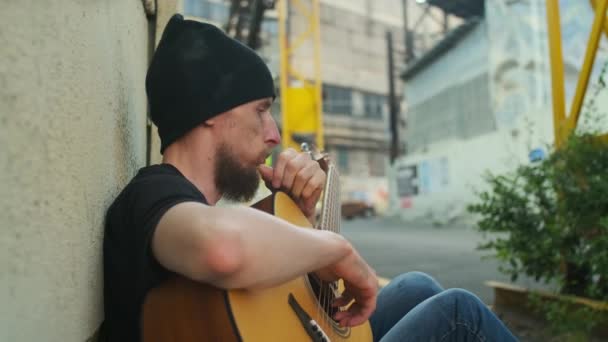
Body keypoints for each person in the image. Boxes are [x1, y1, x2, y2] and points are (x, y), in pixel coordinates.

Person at [103, 14, 518, 342]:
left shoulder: (198, 208)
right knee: (458, 316)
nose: (275, 133)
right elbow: (223, 250)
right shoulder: (152, 193)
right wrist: (334, 249)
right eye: (261, 110)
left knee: (417, 287)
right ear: (209, 111)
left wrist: (297, 219)